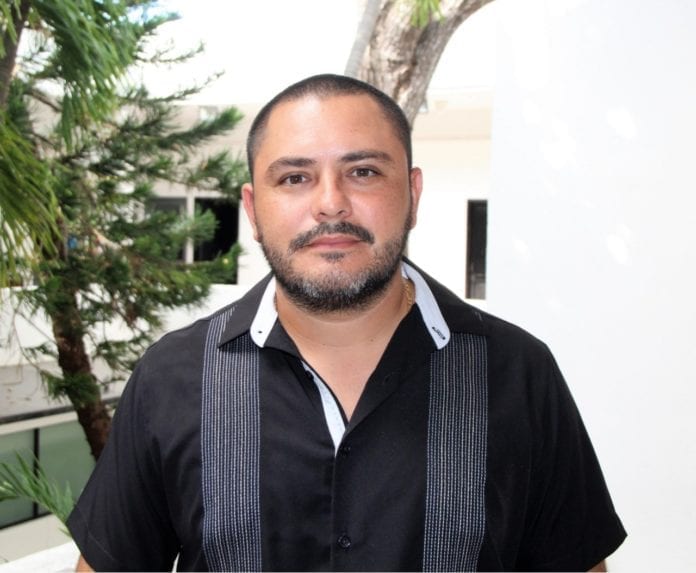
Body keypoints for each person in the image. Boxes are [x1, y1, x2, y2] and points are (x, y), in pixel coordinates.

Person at [68, 74, 626, 572]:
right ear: (253, 210)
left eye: (363, 172)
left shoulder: (518, 373)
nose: (331, 204)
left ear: (412, 195)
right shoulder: (173, 376)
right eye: (294, 178)